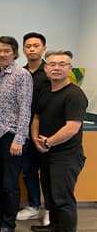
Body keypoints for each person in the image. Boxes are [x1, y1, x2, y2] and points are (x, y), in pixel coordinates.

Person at [30, 50, 87, 232]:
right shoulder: (46, 91)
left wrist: (49, 142)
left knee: (63, 199)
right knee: (50, 195)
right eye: (52, 64)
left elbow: (72, 127)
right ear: (46, 68)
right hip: (47, 153)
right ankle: (54, 226)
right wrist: (35, 139)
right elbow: (37, 117)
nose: (56, 68)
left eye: (62, 64)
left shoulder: (75, 95)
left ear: (70, 68)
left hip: (66, 156)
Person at [0, 36, 32, 232]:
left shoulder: (22, 75)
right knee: (0, 180)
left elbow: (25, 109)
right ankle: (1, 217)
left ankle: (8, 224)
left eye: (6, 51)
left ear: (15, 53)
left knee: (10, 183)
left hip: (11, 136)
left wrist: (20, 139)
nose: (2, 54)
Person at [16, 32, 51, 225]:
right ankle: (33, 206)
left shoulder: (50, 72)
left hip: (46, 132)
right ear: (23, 50)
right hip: (24, 131)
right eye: (28, 46)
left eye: (36, 45)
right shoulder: (20, 73)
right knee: (28, 170)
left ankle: (49, 210)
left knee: (47, 173)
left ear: (43, 48)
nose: (31, 49)